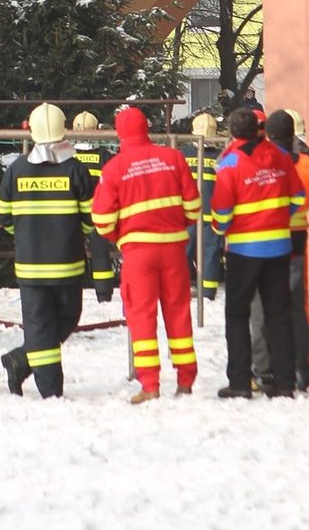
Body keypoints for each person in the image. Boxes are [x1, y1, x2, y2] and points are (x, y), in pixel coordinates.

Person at [93, 106, 200, 403]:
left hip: (138, 253)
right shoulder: (173, 158)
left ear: (119, 134)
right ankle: (186, 380)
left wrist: (121, 238)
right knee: (178, 311)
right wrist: (175, 224)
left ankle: (150, 384)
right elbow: (193, 207)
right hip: (175, 249)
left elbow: (101, 220)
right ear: (147, 128)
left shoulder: (114, 167)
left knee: (141, 315)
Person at [0, 103, 96, 399]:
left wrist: (25, 235)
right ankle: (50, 392)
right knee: (67, 318)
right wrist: (72, 235)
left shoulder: (17, 169)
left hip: (31, 266)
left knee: (41, 327)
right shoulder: (76, 170)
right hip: (68, 263)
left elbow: (2, 214)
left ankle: (23, 359)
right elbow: (91, 219)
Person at [211, 107, 304, 399]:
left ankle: (240, 381)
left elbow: (222, 212)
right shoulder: (280, 156)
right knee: (279, 313)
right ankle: (285, 382)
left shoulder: (230, 162)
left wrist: (221, 229)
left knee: (237, 314)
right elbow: (298, 197)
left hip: (244, 249)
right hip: (279, 246)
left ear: (233, 133)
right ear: (258, 130)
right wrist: (278, 219)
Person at [268, 108, 309, 390]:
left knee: (270, 305)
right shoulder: (307, 164)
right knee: (297, 305)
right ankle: (304, 365)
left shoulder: (268, 161)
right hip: (298, 237)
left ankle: (275, 367)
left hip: (269, 238)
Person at [69, 112, 117, 301]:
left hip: (73, 213)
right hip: (99, 212)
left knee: (72, 250)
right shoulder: (105, 157)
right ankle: (104, 293)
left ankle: (76, 288)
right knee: (100, 251)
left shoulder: (69, 156)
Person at [182, 112, 224, 300]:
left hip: (188, 216)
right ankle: (208, 294)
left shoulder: (182, 153)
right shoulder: (220, 156)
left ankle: (180, 289)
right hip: (212, 216)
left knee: (182, 254)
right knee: (210, 255)